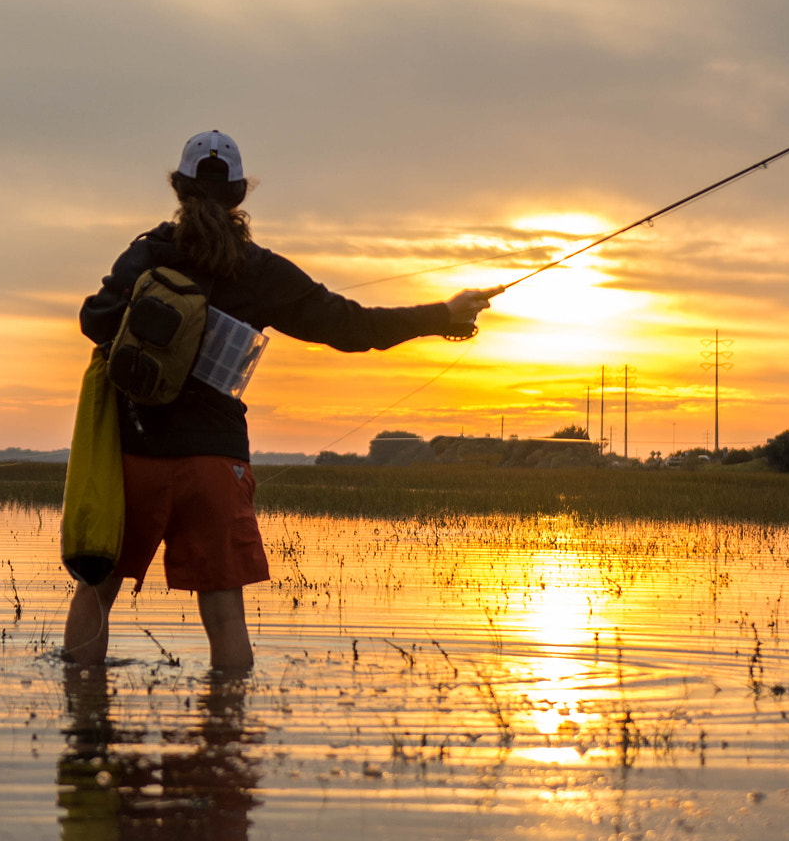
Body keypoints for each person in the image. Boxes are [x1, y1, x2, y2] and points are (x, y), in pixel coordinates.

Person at [63, 129, 493, 671]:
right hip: (215, 464)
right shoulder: (260, 269)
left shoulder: (145, 255)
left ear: (179, 188)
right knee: (225, 615)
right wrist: (441, 316)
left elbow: (92, 321)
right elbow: (350, 327)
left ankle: (80, 727)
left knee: (96, 595)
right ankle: (227, 739)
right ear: (240, 194)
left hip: (135, 458)